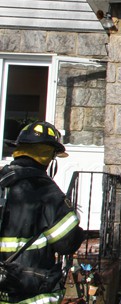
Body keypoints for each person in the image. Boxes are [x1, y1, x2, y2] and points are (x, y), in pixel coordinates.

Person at [0, 121, 85, 303]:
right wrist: (79, 234)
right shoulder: (46, 190)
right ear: (49, 156)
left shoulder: (3, 181)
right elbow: (67, 243)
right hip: (31, 290)